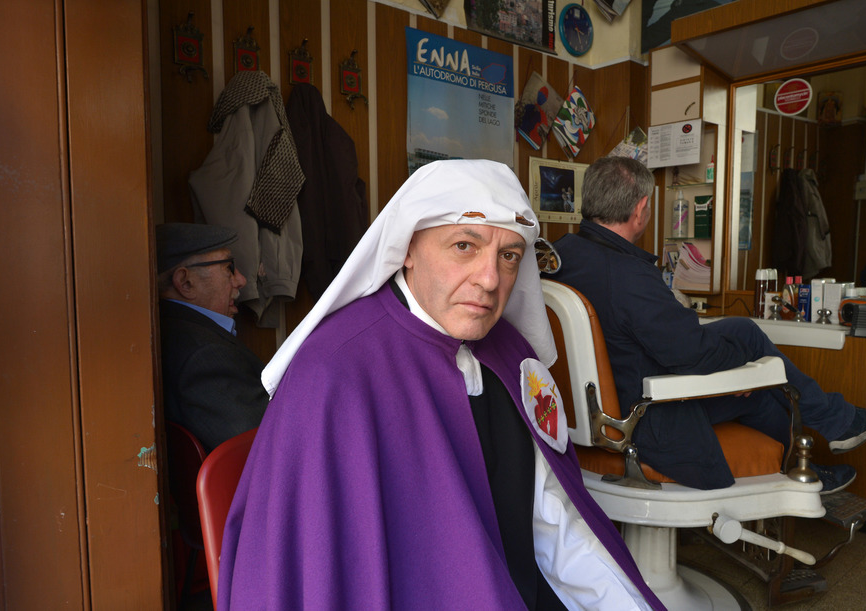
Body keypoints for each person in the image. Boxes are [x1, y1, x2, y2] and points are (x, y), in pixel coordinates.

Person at [218, 160, 666, 610]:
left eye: (509, 255)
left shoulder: (511, 354)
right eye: (464, 246)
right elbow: (308, 578)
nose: (489, 279)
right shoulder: (332, 376)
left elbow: (556, 525)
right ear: (408, 248)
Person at [547, 156, 866, 492]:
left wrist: (735, 361)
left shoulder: (561, 255)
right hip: (644, 418)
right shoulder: (627, 274)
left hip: (594, 407)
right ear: (640, 209)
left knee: (743, 331)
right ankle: (816, 455)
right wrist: (740, 365)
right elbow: (691, 353)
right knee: (761, 390)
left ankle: (832, 432)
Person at [156, 223, 269, 451]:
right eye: (229, 268)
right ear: (186, 282)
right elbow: (263, 448)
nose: (241, 280)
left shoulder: (169, 328)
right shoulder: (205, 355)